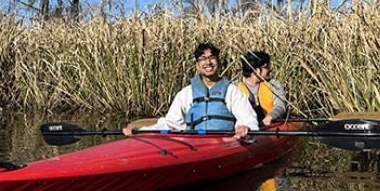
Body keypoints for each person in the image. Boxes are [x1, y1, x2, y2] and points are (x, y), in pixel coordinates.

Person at [123, 43, 258, 139]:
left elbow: (247, 118)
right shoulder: (186, 93)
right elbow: (170, 123)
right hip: (193, 144)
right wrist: (141, 131)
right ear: (197, 65)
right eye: (203, 59)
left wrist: (243, 127)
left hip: (225, 142)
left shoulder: (232, 91)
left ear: (218, 61)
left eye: (212, 58)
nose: (208, 63)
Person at [237, 51, 287, 126]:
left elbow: (280, 106)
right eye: (266, 67)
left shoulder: (274, 85)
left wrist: (271, 116)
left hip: (269, 126)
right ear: (257, 70)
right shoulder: (234, 87)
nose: (270, 70)